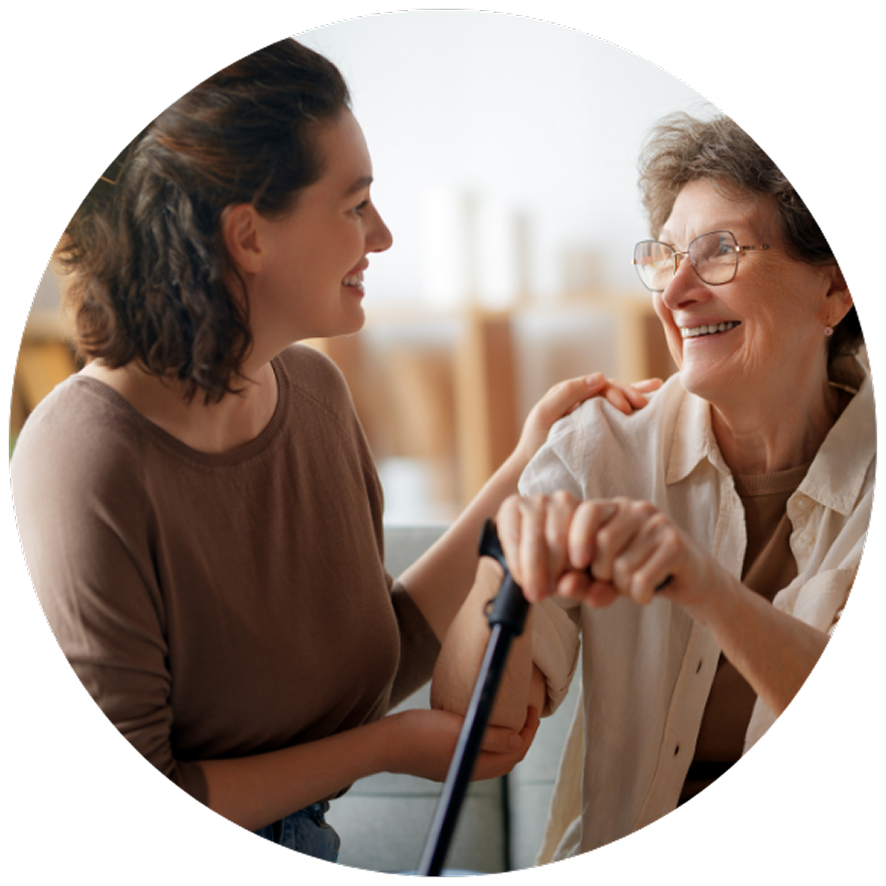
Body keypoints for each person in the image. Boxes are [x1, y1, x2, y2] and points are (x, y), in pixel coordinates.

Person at [10, 38, 660, 864]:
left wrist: (526, 461)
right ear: (248, 235)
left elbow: (369, 653)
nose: (381, 236)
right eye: (355, 205)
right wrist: (388, 748)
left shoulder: (313, 394)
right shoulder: (81, 459)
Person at [431, 112, 873, 863]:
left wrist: (706, 587)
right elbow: (475, 733)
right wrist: (510, 556)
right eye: (667, 257)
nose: (677, 290)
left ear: (833, 288)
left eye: (719, 251)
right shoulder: (597, 453)